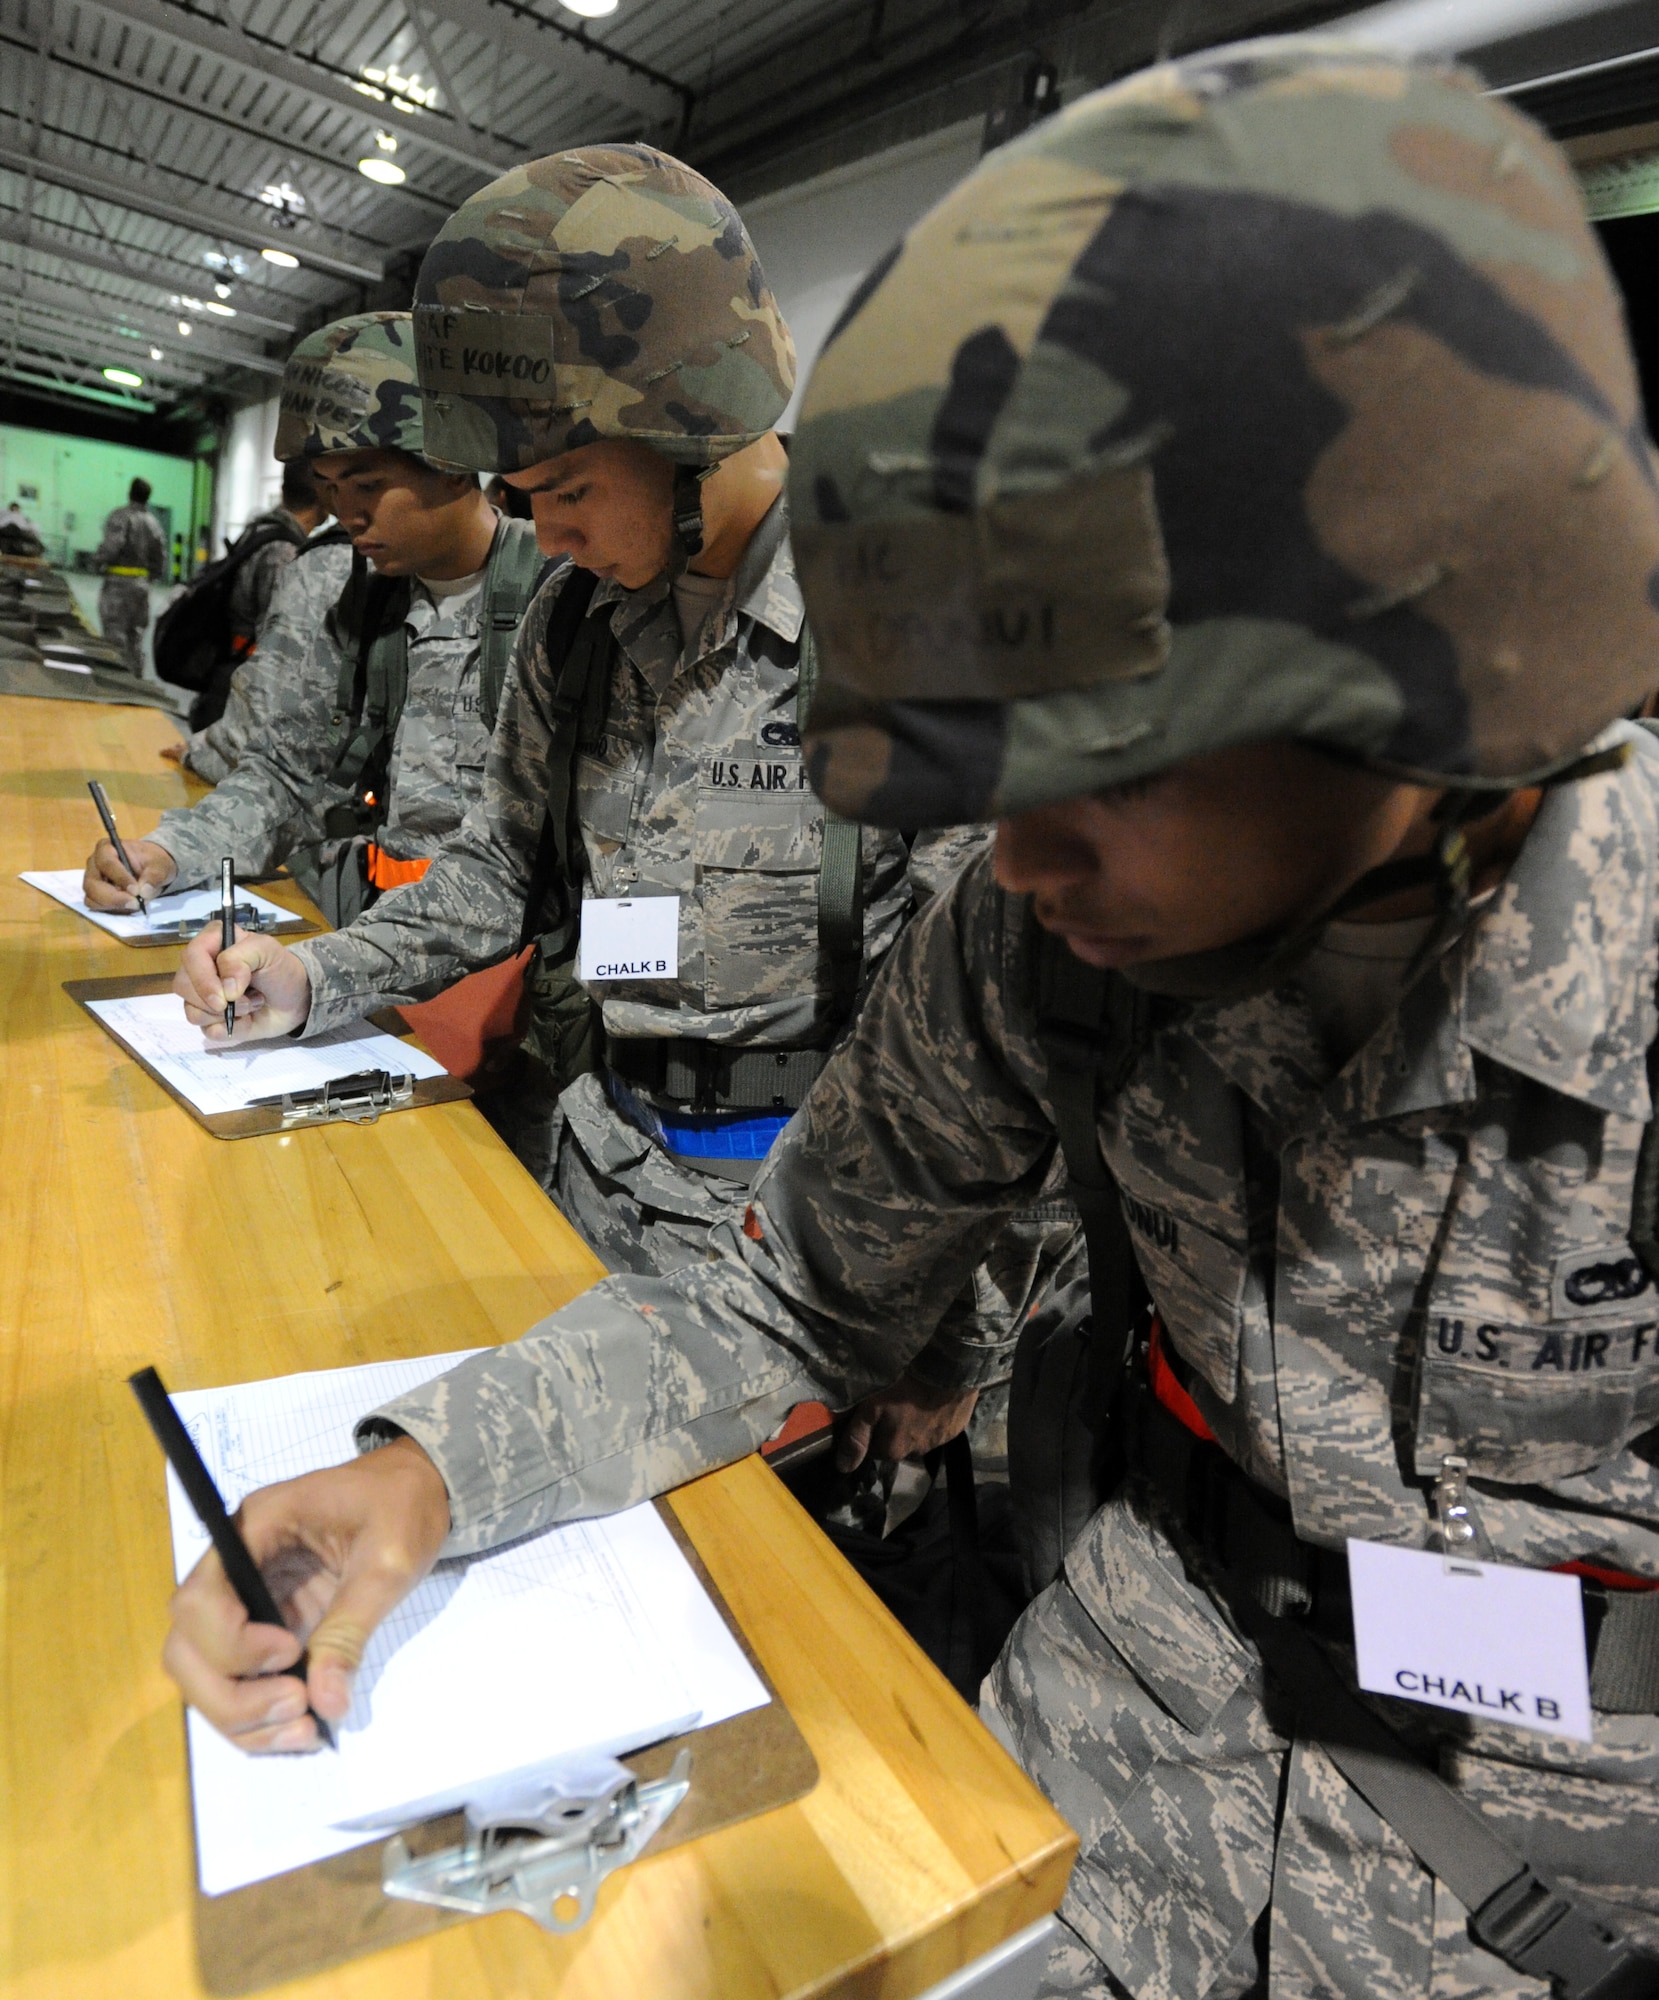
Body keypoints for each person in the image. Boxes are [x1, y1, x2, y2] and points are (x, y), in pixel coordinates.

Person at [160, 42, 1659, 1995]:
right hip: (1112, 1751)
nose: (997, 853)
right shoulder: (1057, 917)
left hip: (1534, 1873)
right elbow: (794, 1287)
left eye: (1099, 756)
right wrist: (426, 1473)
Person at [165, 147, 1076, 1417]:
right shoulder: (576, 623)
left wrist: (940, 1337)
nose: (562, 533)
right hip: (589, 1174)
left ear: (696, 427)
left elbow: (994, 1038)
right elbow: (494, 869)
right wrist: (316, 974)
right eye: (533, 499)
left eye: (574, 490)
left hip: (807, 1246)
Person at [82, 312, 544, 930]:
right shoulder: (344, 589)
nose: (347, 514)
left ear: (454, 461)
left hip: (503, 967)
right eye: (328, 488)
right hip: (365, 934)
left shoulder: (559, 594)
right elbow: (289, 777)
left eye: (368, 484)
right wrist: (169, 853)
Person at [163, 459, 335, 772]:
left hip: (224, 676)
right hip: (240, 687)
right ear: (323, 496)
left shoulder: (260, 530)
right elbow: (279, 639)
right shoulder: (283, 551)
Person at [94, 477, 165, 674]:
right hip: (141, 586)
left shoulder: (121, 517)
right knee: (135, 636)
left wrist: (98, 561)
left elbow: (112, 547)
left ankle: (115, 680)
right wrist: (149, 577)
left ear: (129, 493)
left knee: (114, 634)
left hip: (118, 585)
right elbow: (160, 558)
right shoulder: (154, 524)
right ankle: (135, 682)